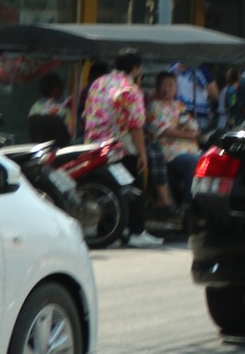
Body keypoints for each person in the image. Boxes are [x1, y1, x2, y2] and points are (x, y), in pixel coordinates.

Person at [82, 48, 154, 244]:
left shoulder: (98, 83)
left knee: (106, 190)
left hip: (94, 147)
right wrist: (142, 153)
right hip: (118, 148)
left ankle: (109, 231)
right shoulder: (130, 88)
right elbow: (136, 125)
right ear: (135, 68)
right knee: (136, 185)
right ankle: (137, 232)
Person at [146, 71, 203, 209]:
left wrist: (188, 132)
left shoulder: (179, 106)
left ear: (176, 88)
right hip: (169, 151)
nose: (167, 89)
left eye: (170, 85)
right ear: (157, 87)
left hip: (189, 149)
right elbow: (164, 130)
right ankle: (187, 203)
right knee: (195, 163)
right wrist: (188, 134)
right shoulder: (154, 107)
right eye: (163, 85)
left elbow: (193, 126)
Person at [27, 73, 72, 145]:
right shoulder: (63, 109)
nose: (63, 90)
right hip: (59, 147)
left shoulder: (34, 108)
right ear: (54, 90)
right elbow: (71, 131)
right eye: (61, 87)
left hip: (37, 146)